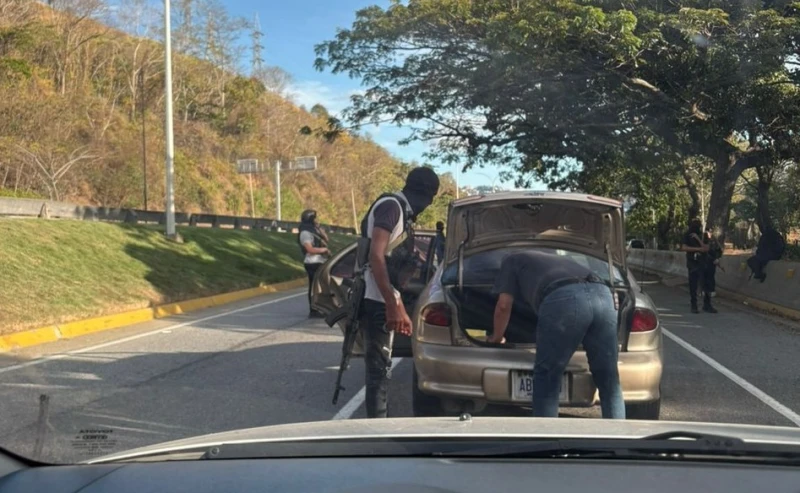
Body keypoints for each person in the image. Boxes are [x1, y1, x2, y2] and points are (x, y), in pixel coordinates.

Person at [487, 251, 625, 419]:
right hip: (604, 295)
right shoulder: (561, 260)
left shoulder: (510, 259)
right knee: (609, 377)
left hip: (564, 299)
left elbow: (503, 306)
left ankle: (547, 440)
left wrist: (497, 337)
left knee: (548, 376)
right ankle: (618, 439)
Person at [360, 166, 440, 418]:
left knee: (381, 370)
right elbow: (376, 255)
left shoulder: (401, 211)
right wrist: (393, 304)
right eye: (430, 199)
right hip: (377, 301)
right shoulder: (391, 207)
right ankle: (377, 432)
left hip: (383, 297)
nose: (427, 206)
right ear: (426, 193)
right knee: (378, 373)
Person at [298, 209, 330, 318]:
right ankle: (313, 310)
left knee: (321, 286)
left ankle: (321, 308)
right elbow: (309, 249)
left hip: (320, 261)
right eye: (315, 218)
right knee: (314, 287)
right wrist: (323, 250)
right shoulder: (305, 233)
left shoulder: (313, 230)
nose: (316, 219)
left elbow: (326, 239)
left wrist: (319, 228)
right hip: (312, 263)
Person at [680, 218, 711, 314]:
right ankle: (694, 305)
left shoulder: (703, 235)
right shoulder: (687, 235)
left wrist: (698, 239)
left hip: (703, 262)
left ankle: (707, 304)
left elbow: (706, 248)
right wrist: (696, 249)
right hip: (692, 263)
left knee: (706, 284)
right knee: (693, 285)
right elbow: (683, 247)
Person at [702, 228, 723, 302]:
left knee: (711, 276)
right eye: (707, 232)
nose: (708, 233)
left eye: (710, 232)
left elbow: (719, 251)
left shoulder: (714, 241)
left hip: (712, 261)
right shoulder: (702, 240)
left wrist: (717, 258)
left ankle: (711, 290)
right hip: (704, 261)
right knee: (703, 276)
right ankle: (704, 290)